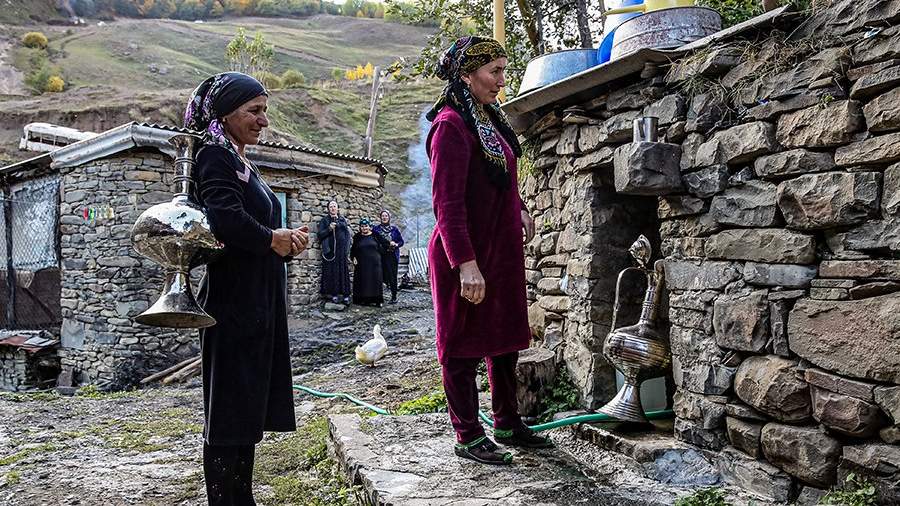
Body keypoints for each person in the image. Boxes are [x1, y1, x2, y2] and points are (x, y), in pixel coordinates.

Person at [426, 36, 553, 466]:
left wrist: (518, 207)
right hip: (465, 255)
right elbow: (447, 203)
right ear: (466, 75)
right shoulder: (451, 126)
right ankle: (467, 433)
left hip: (499, 251)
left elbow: (498, 177)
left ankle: (507, 420)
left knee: (504, 340)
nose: (502, 80)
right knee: (462, 345)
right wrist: (465, 264)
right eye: (494, 71)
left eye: (503, 70)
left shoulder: (488, 120)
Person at [185, 71, 309, 505]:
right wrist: (270, 239)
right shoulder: (213, 158)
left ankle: (242, 497)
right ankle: (224, 499)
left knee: (247, 402)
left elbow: (250, 223)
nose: (263, 121)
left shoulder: (240, 160)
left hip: (258, 298)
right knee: (229, 408)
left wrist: (283, 240)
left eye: (265, 111)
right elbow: (224, 219)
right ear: (225, 115)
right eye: (254, 111)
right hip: (234, 299)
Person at [317, 200, 352, 305]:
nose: (333, 208)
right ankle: (334, 294)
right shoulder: (325, 220)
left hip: (341, 251)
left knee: (343, 271)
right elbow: (320, 235)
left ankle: (346, 294)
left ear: (337, 208)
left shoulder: (342, 219)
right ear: (328, 209)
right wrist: (329, 229)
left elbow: (346, 233)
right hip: (330, 252)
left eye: (334, 206)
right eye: (331, 206)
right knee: (332, 272)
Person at [350, 218, 388, 307]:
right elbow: (353, 250)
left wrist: (388, 247)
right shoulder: (357, 237)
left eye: (366, 226)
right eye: (362, 226)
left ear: (369, 226)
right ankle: (364, 300)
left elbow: (385, 243)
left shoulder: (375, 235)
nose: (364, 228)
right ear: (360, 228)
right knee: (363, 281)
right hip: (362, 264)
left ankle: (377, 301)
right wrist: (353, 257)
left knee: (375, 281)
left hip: (375, 263)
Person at [372, 210, 404, 304]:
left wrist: (396, 244)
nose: (384, 217)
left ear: (389, 217)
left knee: (392, 276)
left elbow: (401, 242)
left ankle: (394, 296)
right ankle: (378, 297)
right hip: (380, 255)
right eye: (383, 216)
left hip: (392, 256)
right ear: (380, 217)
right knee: (379, 276)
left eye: (386, 216)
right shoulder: (376, 230)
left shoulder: (394, 230)